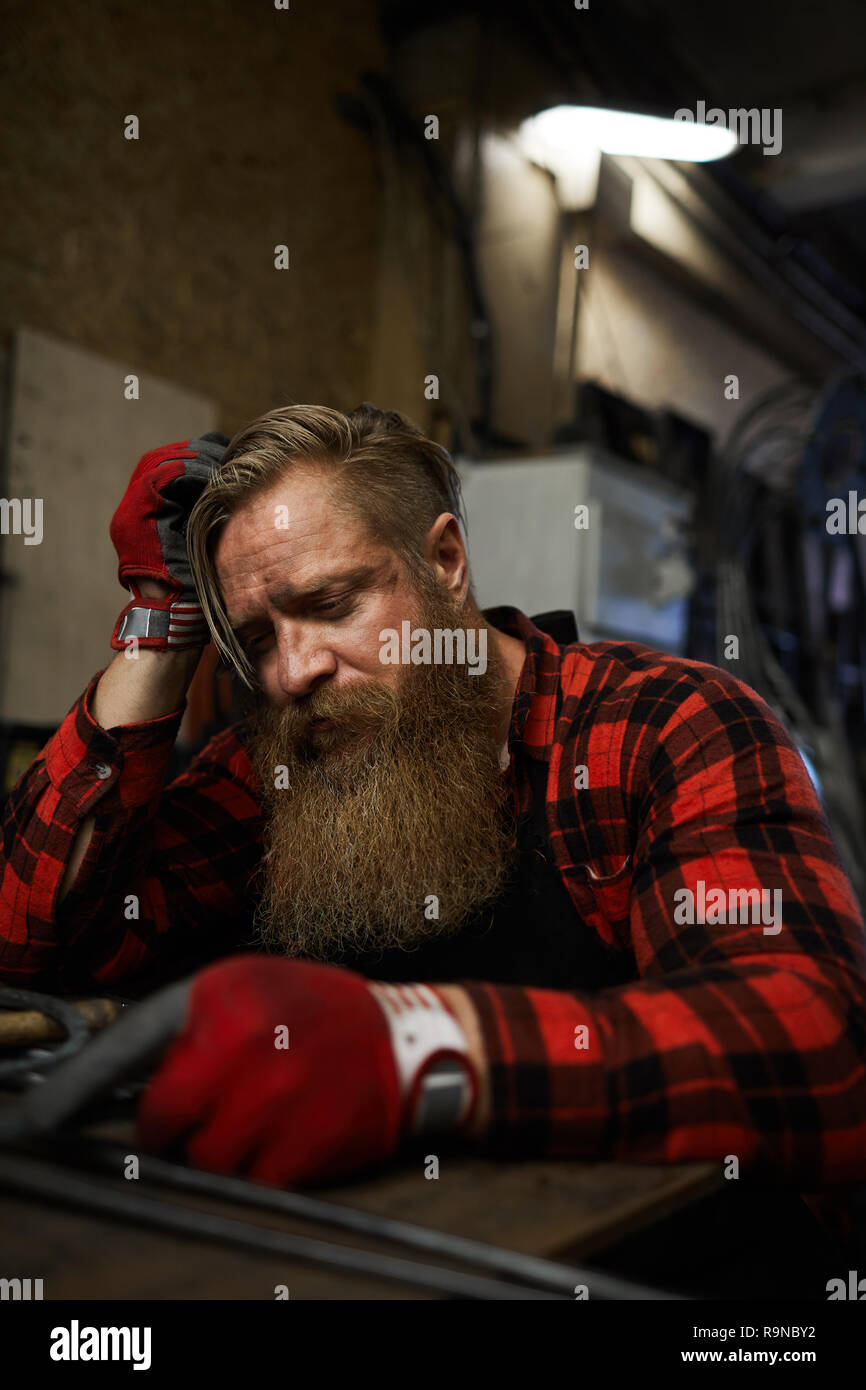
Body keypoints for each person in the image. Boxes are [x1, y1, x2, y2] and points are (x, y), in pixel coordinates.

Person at [2, 402, 865, 1201]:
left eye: (332, 604)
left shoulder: (661, 727)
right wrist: (163, 620)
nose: (294, 672)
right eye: (258, 639)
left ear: (446, 562)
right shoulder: (286, 758)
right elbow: (36, 946)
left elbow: (814, 1046)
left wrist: (423, 1051)